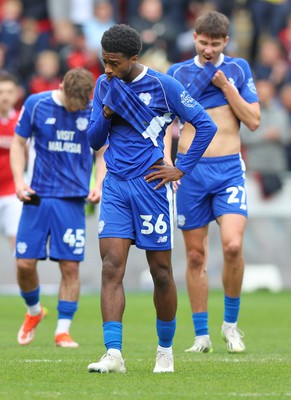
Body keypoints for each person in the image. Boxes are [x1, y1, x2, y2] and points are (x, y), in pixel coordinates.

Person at [86, 23, 217, 374]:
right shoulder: (103, 85)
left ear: (134, 57)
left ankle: (165, 351)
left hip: (152, 188)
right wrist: (106, 113)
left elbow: (205, 125)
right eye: (104, 61)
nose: (108, 69)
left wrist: (181, 168)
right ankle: (114, 354)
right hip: (115, 185)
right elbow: (94, 141)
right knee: (111, 266)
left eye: (114, 63)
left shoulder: (164, 85)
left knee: (161, 272)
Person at [165, 11, 260, 354]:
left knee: (233, 246)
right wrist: (166, 161)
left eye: (215, 43)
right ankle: (201, 335)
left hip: (228, 171)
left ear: (226, 42)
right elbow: (165, 124)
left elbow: (253, 121)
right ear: (194, 38)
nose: (208, 49)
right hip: (190, 173)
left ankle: (231, 326)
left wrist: (228, 89)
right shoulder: (176, 73)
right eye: (203, 42)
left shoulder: (238, 69)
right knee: (194, 255)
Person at [10, 68, 106, 348]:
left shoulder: (93, 110)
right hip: (37, 196)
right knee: (24, 263)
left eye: (81, 103)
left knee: (70, 267)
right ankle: (34, 312)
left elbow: (102, 153)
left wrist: (99, 183)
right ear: (62, 86)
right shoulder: (36, 104)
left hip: (73, 200)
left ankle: (63, 330)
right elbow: (18, 143)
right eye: (71, 101)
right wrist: (18, 181)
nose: (76, 107)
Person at [0, 72, 21, 252]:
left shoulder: (22, 120)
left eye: (9, 92)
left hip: (11, 193)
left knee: (20, 249)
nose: (4, 96)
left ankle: (25, 281)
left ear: (16, 94)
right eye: (0, 92)